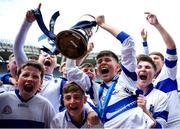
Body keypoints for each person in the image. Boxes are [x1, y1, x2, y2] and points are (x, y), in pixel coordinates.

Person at [66, 15, 155, 128]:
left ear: (118, 67)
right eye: (99, 62)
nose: (103, 63)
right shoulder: (95, 90)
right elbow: (71, 70)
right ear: (97, 72)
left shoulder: (126, 79)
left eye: (107, 60)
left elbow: (128, 41)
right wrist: (79, 49)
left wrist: (103, 25)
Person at [142, 12, 180, 128]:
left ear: (164, 62)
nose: (153, 61)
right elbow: (145, 60)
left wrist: (157, 25)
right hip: (154, 123)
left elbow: (171, 48)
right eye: (151, 59)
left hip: (174, 124)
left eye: (156, 58)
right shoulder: (148, 82)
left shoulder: (168, 73)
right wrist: (144, 41)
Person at [0, 61, 55, 128]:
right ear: (17, 79)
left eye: (35, 76)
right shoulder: (2, 99)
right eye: (25, 75)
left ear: (41, 82)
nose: (30, 79)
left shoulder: (46, 106)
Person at [136, 54, 168, 128]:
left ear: (154, 74)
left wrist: (144, 110)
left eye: (147, 67)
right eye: (139, 67)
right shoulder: (123, 93)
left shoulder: (161, 96)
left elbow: (161, 127)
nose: (143, 69)